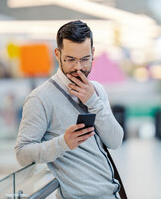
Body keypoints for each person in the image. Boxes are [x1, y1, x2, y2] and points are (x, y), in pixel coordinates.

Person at [15, 20, 124, 199]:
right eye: (70, 60)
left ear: (93, 53)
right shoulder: (40, 98)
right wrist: (63, 143)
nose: (78, 67)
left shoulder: (96, 90)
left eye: (85, 59)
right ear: (57, 55)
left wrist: (93, 101)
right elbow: (22, 154)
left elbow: (115, 140)